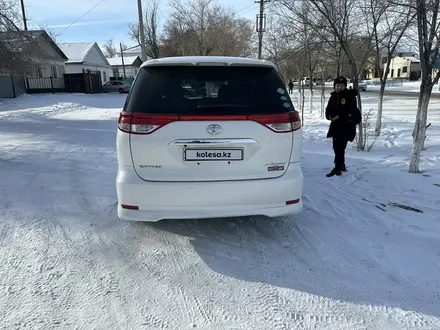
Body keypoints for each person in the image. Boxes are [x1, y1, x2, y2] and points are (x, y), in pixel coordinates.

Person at [325, 76, 361, 177]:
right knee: (336, 147)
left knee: (340, 147)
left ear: (345, 86)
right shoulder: (333, 96)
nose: (338, 87)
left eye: (341, 85)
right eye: (337, 85)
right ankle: (342, 165)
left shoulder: (349, 97)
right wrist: (330, 116)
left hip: (345, 126)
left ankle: (337, 168)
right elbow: (328, 110)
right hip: (335, 126)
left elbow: (350, 111)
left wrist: (339, 116)